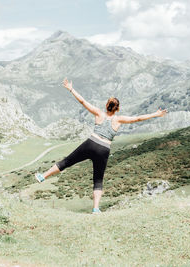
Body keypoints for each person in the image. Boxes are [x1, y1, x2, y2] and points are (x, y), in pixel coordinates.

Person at [35, 78, 167, 213]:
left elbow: (83, 102)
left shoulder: (99, 113)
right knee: (98, 179)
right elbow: (137, 118)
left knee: (67, 161)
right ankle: (96, 208)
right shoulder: (119, 119)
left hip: (91, 143)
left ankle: (43, 176)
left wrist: (71, 89)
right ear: (117, 109)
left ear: (106, 106)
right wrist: (156, 114)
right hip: (104, 149)